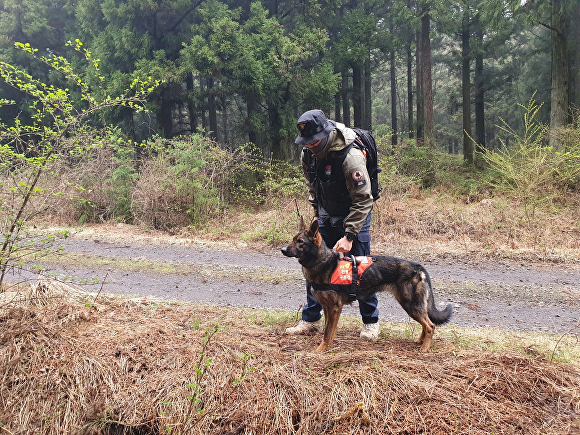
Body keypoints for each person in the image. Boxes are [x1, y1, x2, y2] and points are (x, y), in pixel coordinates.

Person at [285, 109, 380, 341]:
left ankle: (370, 322)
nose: (310, 146)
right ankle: (311, 320)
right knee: (314, 266)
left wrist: (349, 236)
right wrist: (317, 213)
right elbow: (313, 187)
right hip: (326, 216)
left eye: (314, 141)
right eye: (306, 143)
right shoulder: (307, 154)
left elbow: (363, 199)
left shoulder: (351, 156)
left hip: (354, 215)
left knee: (360, 270)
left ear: (326, 133)